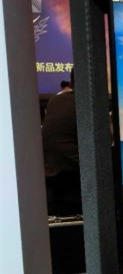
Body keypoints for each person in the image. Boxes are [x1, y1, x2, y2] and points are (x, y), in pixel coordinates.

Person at [41, 70, 82, 215]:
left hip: (48, 183)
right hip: (74, 181)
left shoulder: (55, 100)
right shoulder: (87, 104)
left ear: (71, 83)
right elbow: (107, 140)